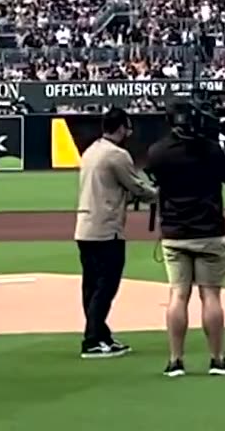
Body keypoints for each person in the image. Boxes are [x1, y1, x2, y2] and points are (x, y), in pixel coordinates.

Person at [143, 103, 225, 378]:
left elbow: (152, 173)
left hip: (175, 233)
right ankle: (217, 359)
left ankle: (175, 361)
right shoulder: (210, 150)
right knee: (210, 296)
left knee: (178, 295)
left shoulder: (158, 151)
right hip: (209, 231)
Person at [74, 108, 157, 359]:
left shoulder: (91, 150)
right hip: (106, 228)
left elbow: (116, 188)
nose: (129, 132)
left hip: (85, 225)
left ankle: (100, 334)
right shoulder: (117, 155)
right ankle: (92, 339)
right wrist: (160, 193)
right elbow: (137, 187)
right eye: (127, 127)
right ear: (120, 127)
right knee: (106, 285)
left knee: (91, 284)